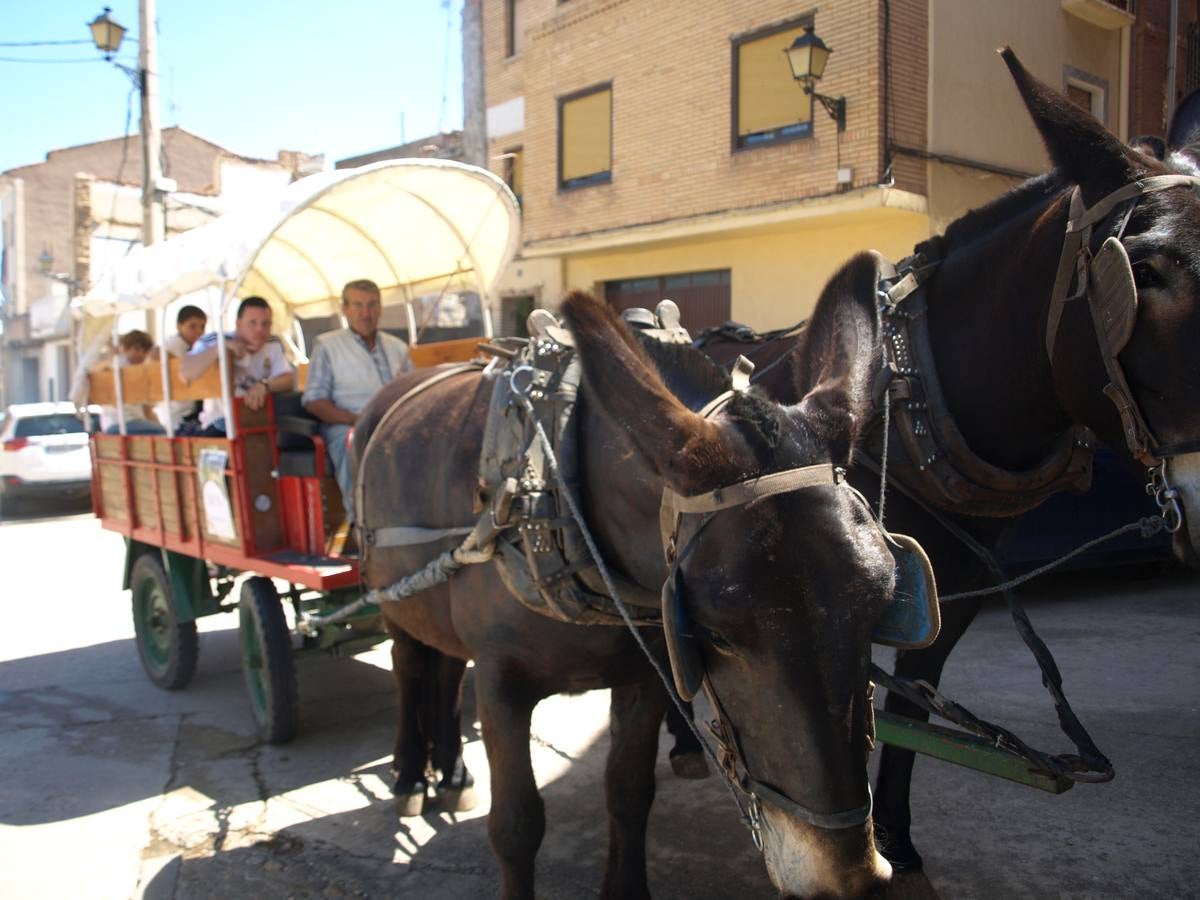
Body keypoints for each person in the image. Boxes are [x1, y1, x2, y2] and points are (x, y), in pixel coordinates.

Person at [303, 279, 411, 523]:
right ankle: (362, 522)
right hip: (348, 424)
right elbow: (315, 400)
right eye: (358, 305)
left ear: (380, 308)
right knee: (353, 443)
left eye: (372, 305)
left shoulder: (397, 347)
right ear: (345, 309)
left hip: (395, 421)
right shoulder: (327, 346)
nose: (366, 313)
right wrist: (358, 420)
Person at [181, 296, 294, 436]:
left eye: (266, 323)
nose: (259, 329)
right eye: (252, 323)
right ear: (238, 324)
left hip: (258, 420)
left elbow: (288, 379)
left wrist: (263, 385)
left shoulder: (273, 343)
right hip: (219, 424)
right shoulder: (215, 340)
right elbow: (186, 374)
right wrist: (221, 348)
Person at [98, 330, 165, 435]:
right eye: (137, 349)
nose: (141, 354)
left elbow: (147, 409)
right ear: (124, 349)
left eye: (145, 351)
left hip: (128, 422)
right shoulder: (119, 366)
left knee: (164, 431)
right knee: (164, 432)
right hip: (122, 423)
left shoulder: (139, 370)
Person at [158, 305, 207, 433]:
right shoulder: (175, 344)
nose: (199, 331)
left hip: (188, 411)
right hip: (180, 415)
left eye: (202, 327)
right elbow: (155, 354)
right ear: (179, 326)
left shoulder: (194, 347)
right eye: (192, 326)